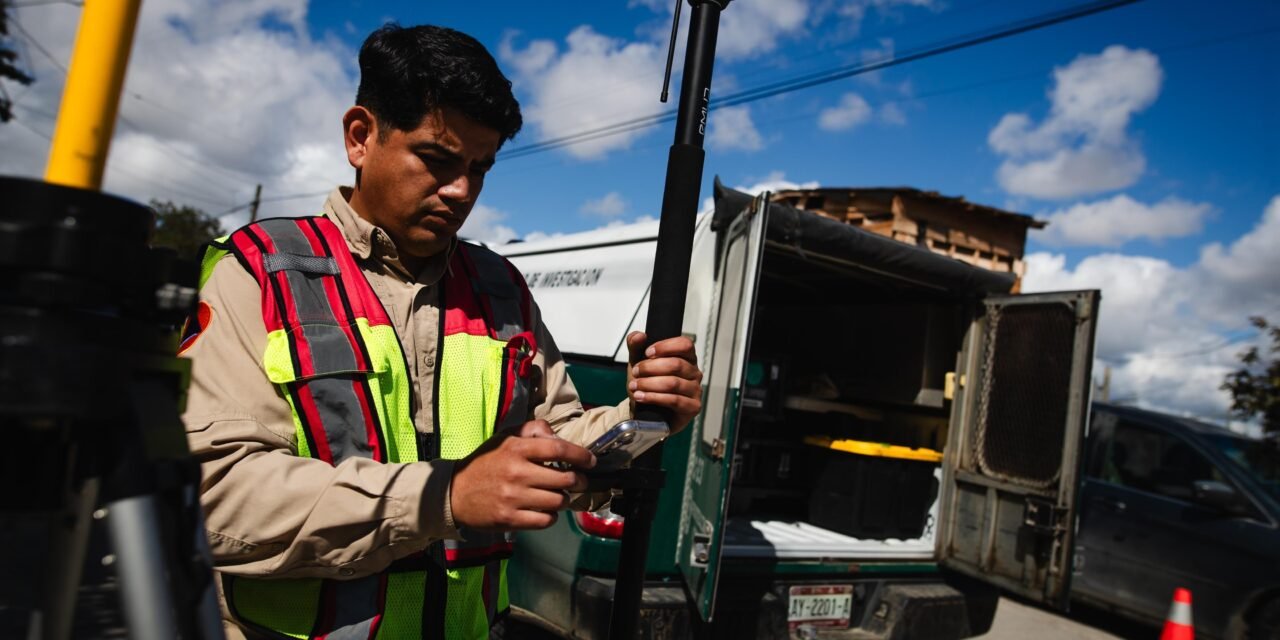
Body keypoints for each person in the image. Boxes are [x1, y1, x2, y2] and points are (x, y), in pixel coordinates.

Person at [180, 24, 703, 640]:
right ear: (360, 136)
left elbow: (561, 439)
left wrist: (643, 417)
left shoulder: (501, 288)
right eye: (436, 159)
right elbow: (211, 496)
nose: (460, 191)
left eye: (479, 168)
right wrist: (442, 497)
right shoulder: (260, 271)